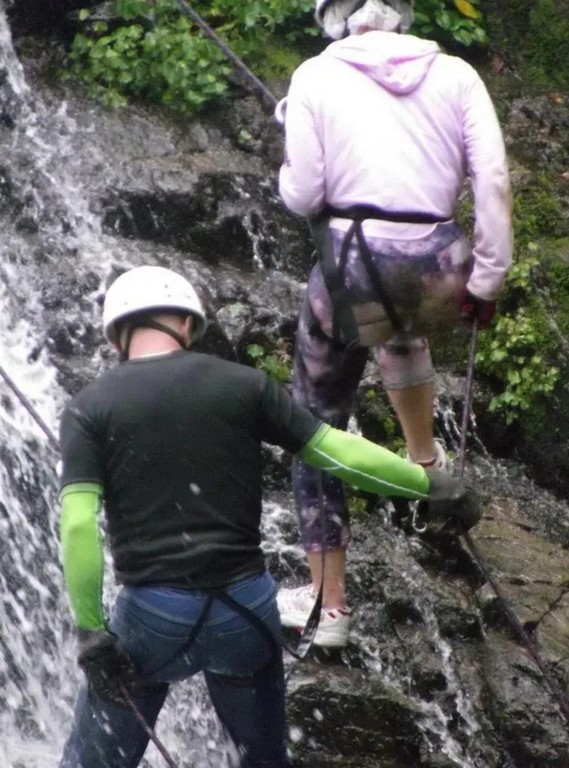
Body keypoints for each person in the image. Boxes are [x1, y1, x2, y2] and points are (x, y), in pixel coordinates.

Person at [57, 265, 471, 768]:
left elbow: (78, 525)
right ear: (187, 324)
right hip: (244, 611)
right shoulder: (244, 385)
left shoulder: (89, 407)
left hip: (153, 619)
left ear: (117, 335)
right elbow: (337, 452)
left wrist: (92, 632)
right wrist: (430, 485)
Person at [276, 0, 513, 647]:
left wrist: (290, 140)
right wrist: (487, 279)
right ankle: (424, 459)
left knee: (316, 426)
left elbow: (303, 195)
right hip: (438, 267)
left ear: (335, 18)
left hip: (353, 264)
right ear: (401, 16)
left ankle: (328, 610)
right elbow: (491, 177)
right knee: (401, 324)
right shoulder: (456, 74)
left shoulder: (316, 75)